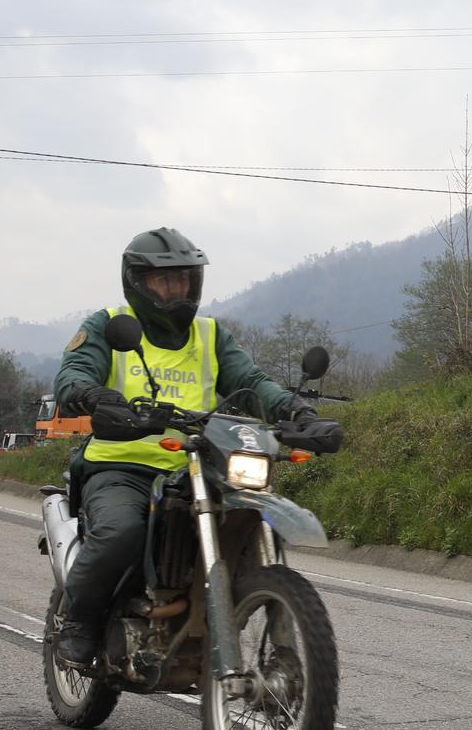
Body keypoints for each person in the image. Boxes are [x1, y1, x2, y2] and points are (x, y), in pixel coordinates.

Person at [50, 227, 341, 668]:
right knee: (121, 533)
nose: (175, 289)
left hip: (199, 465)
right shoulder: (109, 326)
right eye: (164, 281)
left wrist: (296, 411)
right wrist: (95, 396)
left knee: (244, 513)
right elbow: (74, 372)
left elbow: (251, 383)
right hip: (122, 464)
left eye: (183, 279)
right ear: (138, 282)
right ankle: (80, 621)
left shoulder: (210, 336)